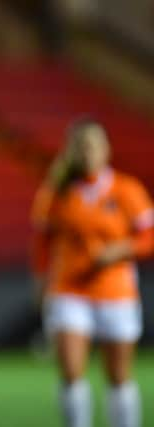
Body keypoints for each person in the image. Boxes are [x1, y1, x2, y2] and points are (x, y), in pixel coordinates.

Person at [30, 118, 154, 427]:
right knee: (71, 373)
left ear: (106, 150)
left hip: (116, 291)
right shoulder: (57, 192)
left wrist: (122, 250)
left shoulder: (127, 189)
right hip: (69, 290)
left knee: (119, 376)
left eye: (93, 146)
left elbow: (148, 236)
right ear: (70, 151)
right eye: (81, 147)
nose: (87, 153)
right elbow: (43, 243)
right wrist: (41, 282)